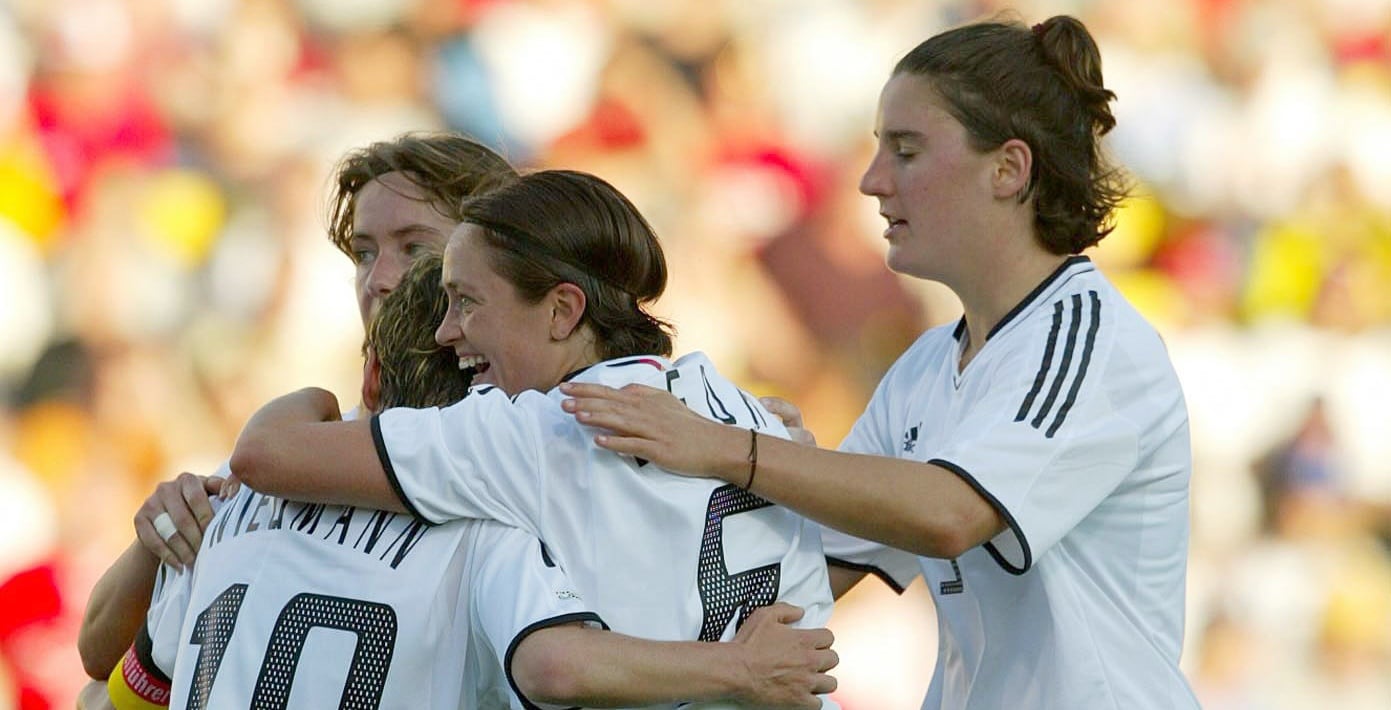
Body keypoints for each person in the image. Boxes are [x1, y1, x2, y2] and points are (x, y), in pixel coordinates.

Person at [557, 15, 1200, 709]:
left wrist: (728, 448)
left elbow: (952, 512)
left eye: (906, 150)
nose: (870, 181)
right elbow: (800, 578)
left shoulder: (1088, 337)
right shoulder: (927, 365)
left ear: (1008, 169)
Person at [82, 133, 835, 709]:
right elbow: (96, 653)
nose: (381, 278)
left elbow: (113, 687)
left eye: (417, 252)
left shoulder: (489, 459)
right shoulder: (709, 414)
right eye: (363, 251)